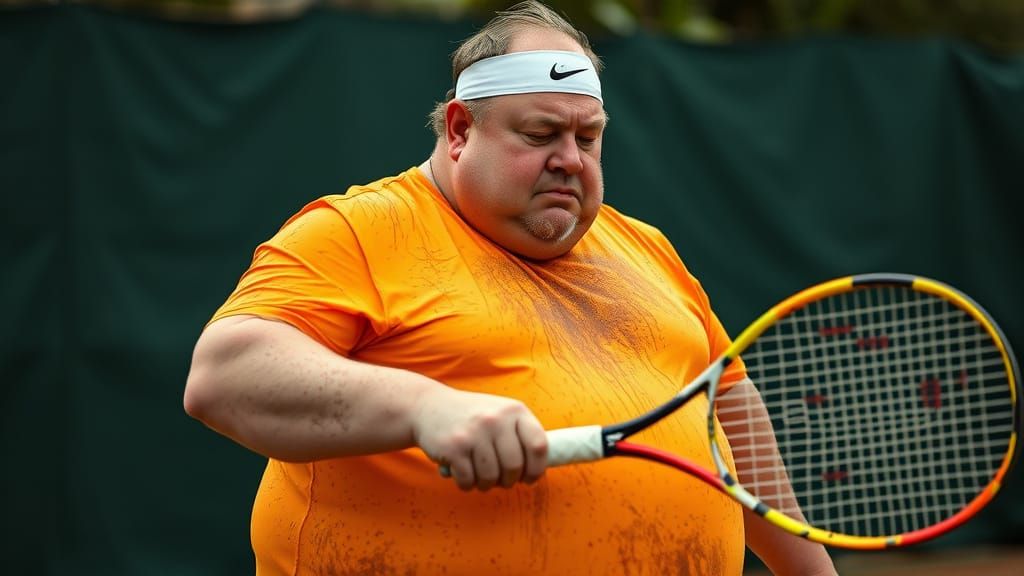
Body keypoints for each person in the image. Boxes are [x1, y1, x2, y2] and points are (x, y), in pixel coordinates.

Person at [184, 2, 838, 574]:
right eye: (540, 134)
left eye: (588, 137)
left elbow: (726, 408)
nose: (570, 160)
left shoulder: (645, 248)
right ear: (462, 130)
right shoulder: (357, 231)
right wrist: (426, 408)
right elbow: (225, 376)